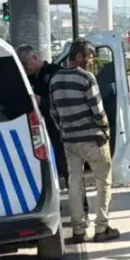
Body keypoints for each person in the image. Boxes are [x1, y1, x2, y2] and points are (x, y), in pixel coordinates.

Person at [49, 40, 120, 244]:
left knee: (75, 182)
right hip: (92, 138)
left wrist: (65, 130)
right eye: (89, 56)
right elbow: (98, 110)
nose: (91, 61)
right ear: (79, 57)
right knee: (103, 181)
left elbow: (54, 113)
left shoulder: (54, 80)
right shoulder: (86, 78)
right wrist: (105, 129)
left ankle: (78, 231)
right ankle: (101, 228)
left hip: (70, 140)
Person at [17, 45, 68, 182]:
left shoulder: (55, 73)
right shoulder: (30, 79)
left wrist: (42, 101)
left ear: (34, 58)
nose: (24, 68)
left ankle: (80, 201)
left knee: (67, 167)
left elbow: (65, 101)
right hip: (40, 130)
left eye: (24, 64)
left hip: (58, 128)